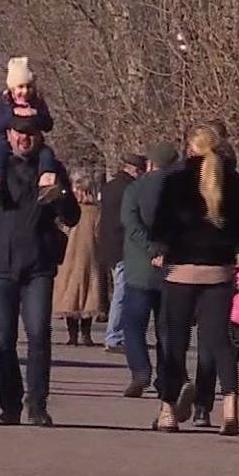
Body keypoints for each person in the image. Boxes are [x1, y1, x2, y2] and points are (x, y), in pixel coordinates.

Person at [0, 115, 80, 427]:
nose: (24, 139)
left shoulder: (50, 169)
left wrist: (61, 196)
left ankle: (38, 404)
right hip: (0, 265)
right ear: (9, 135)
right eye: (19, 133)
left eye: (30, 133)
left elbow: (72, 217)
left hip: (38, 265)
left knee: (39, 334)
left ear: (39, 136)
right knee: (3, 339)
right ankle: (9, 405)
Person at [151, 124, 239, 434]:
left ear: (189, 149)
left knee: (174, 340)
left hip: (181, 270)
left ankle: (168, 408)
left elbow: (160, 227)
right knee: (219, 341)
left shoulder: (175, 182)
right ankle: (230, 407)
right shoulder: (233, 182)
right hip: (219, 271)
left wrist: (164, 248)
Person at [120, 141, 179, 397]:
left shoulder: (135, 190)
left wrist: (151, 249)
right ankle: (166, 378)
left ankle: (140, 370)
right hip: (173, 269)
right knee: (166, 329)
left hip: (140, 269)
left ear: (150, 164)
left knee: (133, 324)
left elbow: (131, 224)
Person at [0, 56, 61, 206]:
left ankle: (47, 183)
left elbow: (48, 125)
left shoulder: (37, 103)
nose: (25, 92)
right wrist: (13, 115)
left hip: (35, 145)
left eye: (28, 87)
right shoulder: (5, 103)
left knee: (47, 153)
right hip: (5, 142)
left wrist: (36, 114)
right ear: (12, 88)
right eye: (20, 87)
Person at [99, 154, 145, 353]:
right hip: (123, 246)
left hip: (108, 244)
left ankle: (118, 334)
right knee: (122, 292)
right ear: (136, 170)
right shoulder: (130, 189)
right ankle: (114, 335)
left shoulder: (109, 187)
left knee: (121, 290)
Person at [52, 173, 102, 346]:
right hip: (89, 256)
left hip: (69, 256)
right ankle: (85, 335)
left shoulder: (69, 211)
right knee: (88, 292)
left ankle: (73, 335)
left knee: (70, 293)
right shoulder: (95, 211)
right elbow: (99, 234)